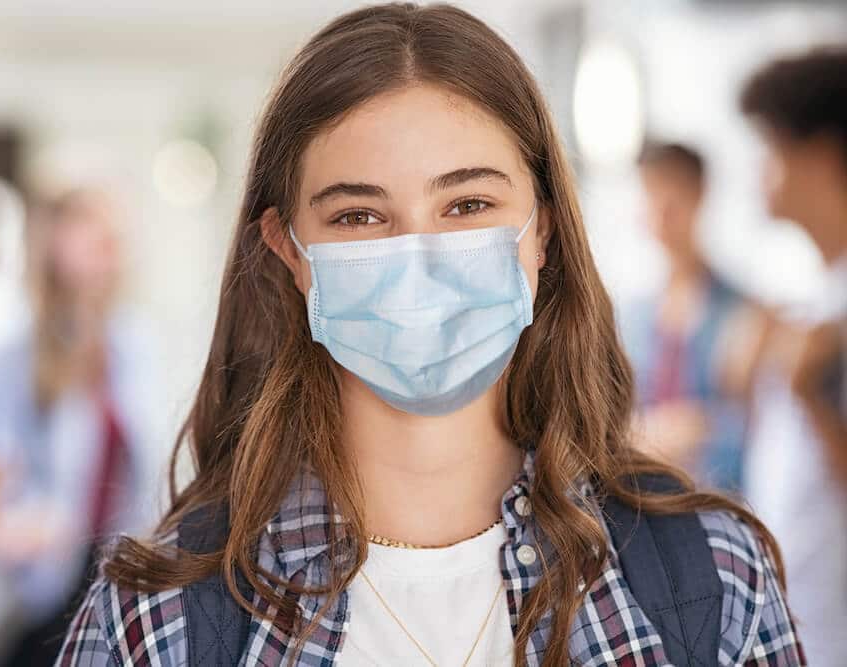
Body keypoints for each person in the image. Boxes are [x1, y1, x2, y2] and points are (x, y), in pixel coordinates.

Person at [59, 4, 804, 665]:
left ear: (541, 229)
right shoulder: (158, 618)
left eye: (468, 203)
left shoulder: (711, 578)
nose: (420, 257)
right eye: (359, 215)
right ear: (290, 250)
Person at [0, 186, 166, 667]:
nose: (109, 237)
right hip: (31, 594)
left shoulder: (133, 343)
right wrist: (24, 526)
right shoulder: (8, 352)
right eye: (88, 222)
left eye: (113, 226)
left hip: (112, 583)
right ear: (51, 241)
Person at [738, 47, 847, 667]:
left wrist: (807, 395)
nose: (761, 171)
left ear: (822, 156)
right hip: (797, 624)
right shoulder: (816, 296)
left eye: (772, 149)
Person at [624, 142, 748, 491]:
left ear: (699, 194)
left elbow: (756, 430)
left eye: (672, 188)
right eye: (651, 190)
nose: (662, 205)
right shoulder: (630, 315)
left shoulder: (743, 312)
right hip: (644, 501)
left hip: (719, 501)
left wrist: (699, 427)